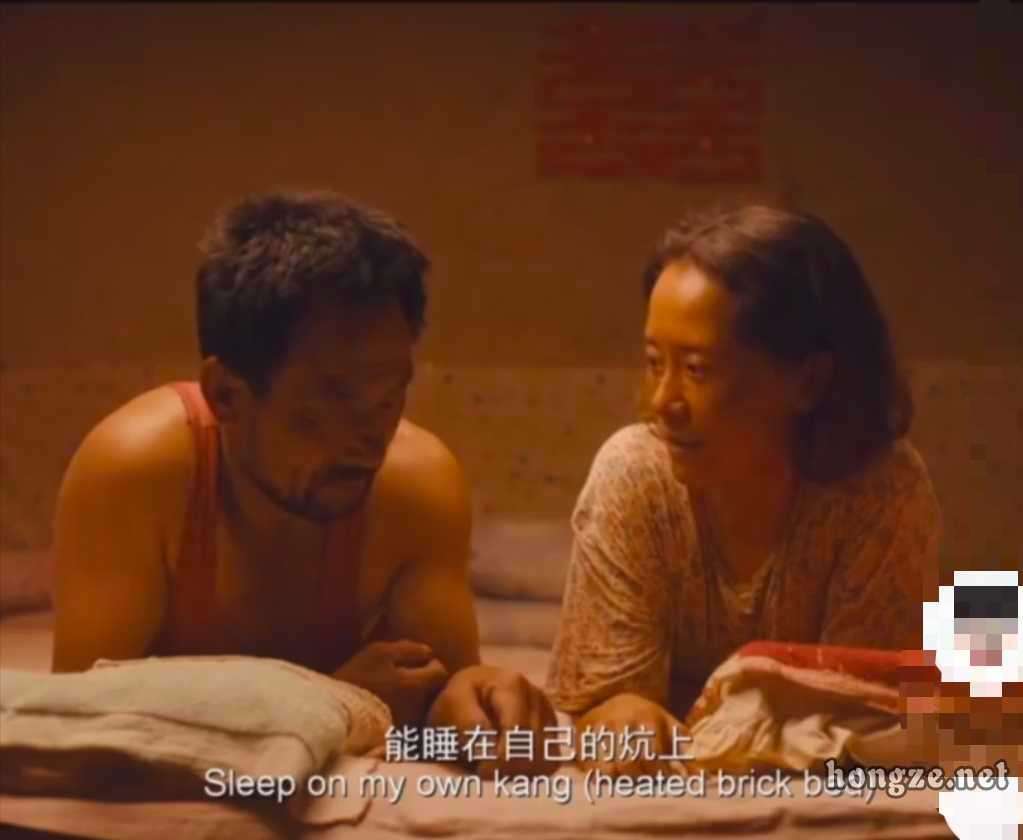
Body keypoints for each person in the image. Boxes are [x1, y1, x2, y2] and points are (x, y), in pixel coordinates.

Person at [51, 191, 554, 759]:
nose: (371, 435)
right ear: (226, 395)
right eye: (335, 399)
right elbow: (74, 724)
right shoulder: (135, 472)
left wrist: (483, 699)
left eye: (390, 397)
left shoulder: (416, 487)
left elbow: (444, 694)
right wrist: (327, 699)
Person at [547, 205, 942, 775]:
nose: (662, 402)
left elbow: (859, 724)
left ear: (808, 381)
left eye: (697, 370)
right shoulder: (635, 476)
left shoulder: (879, 492)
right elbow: (598, 710)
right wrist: (619, 715)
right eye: (654, 363)